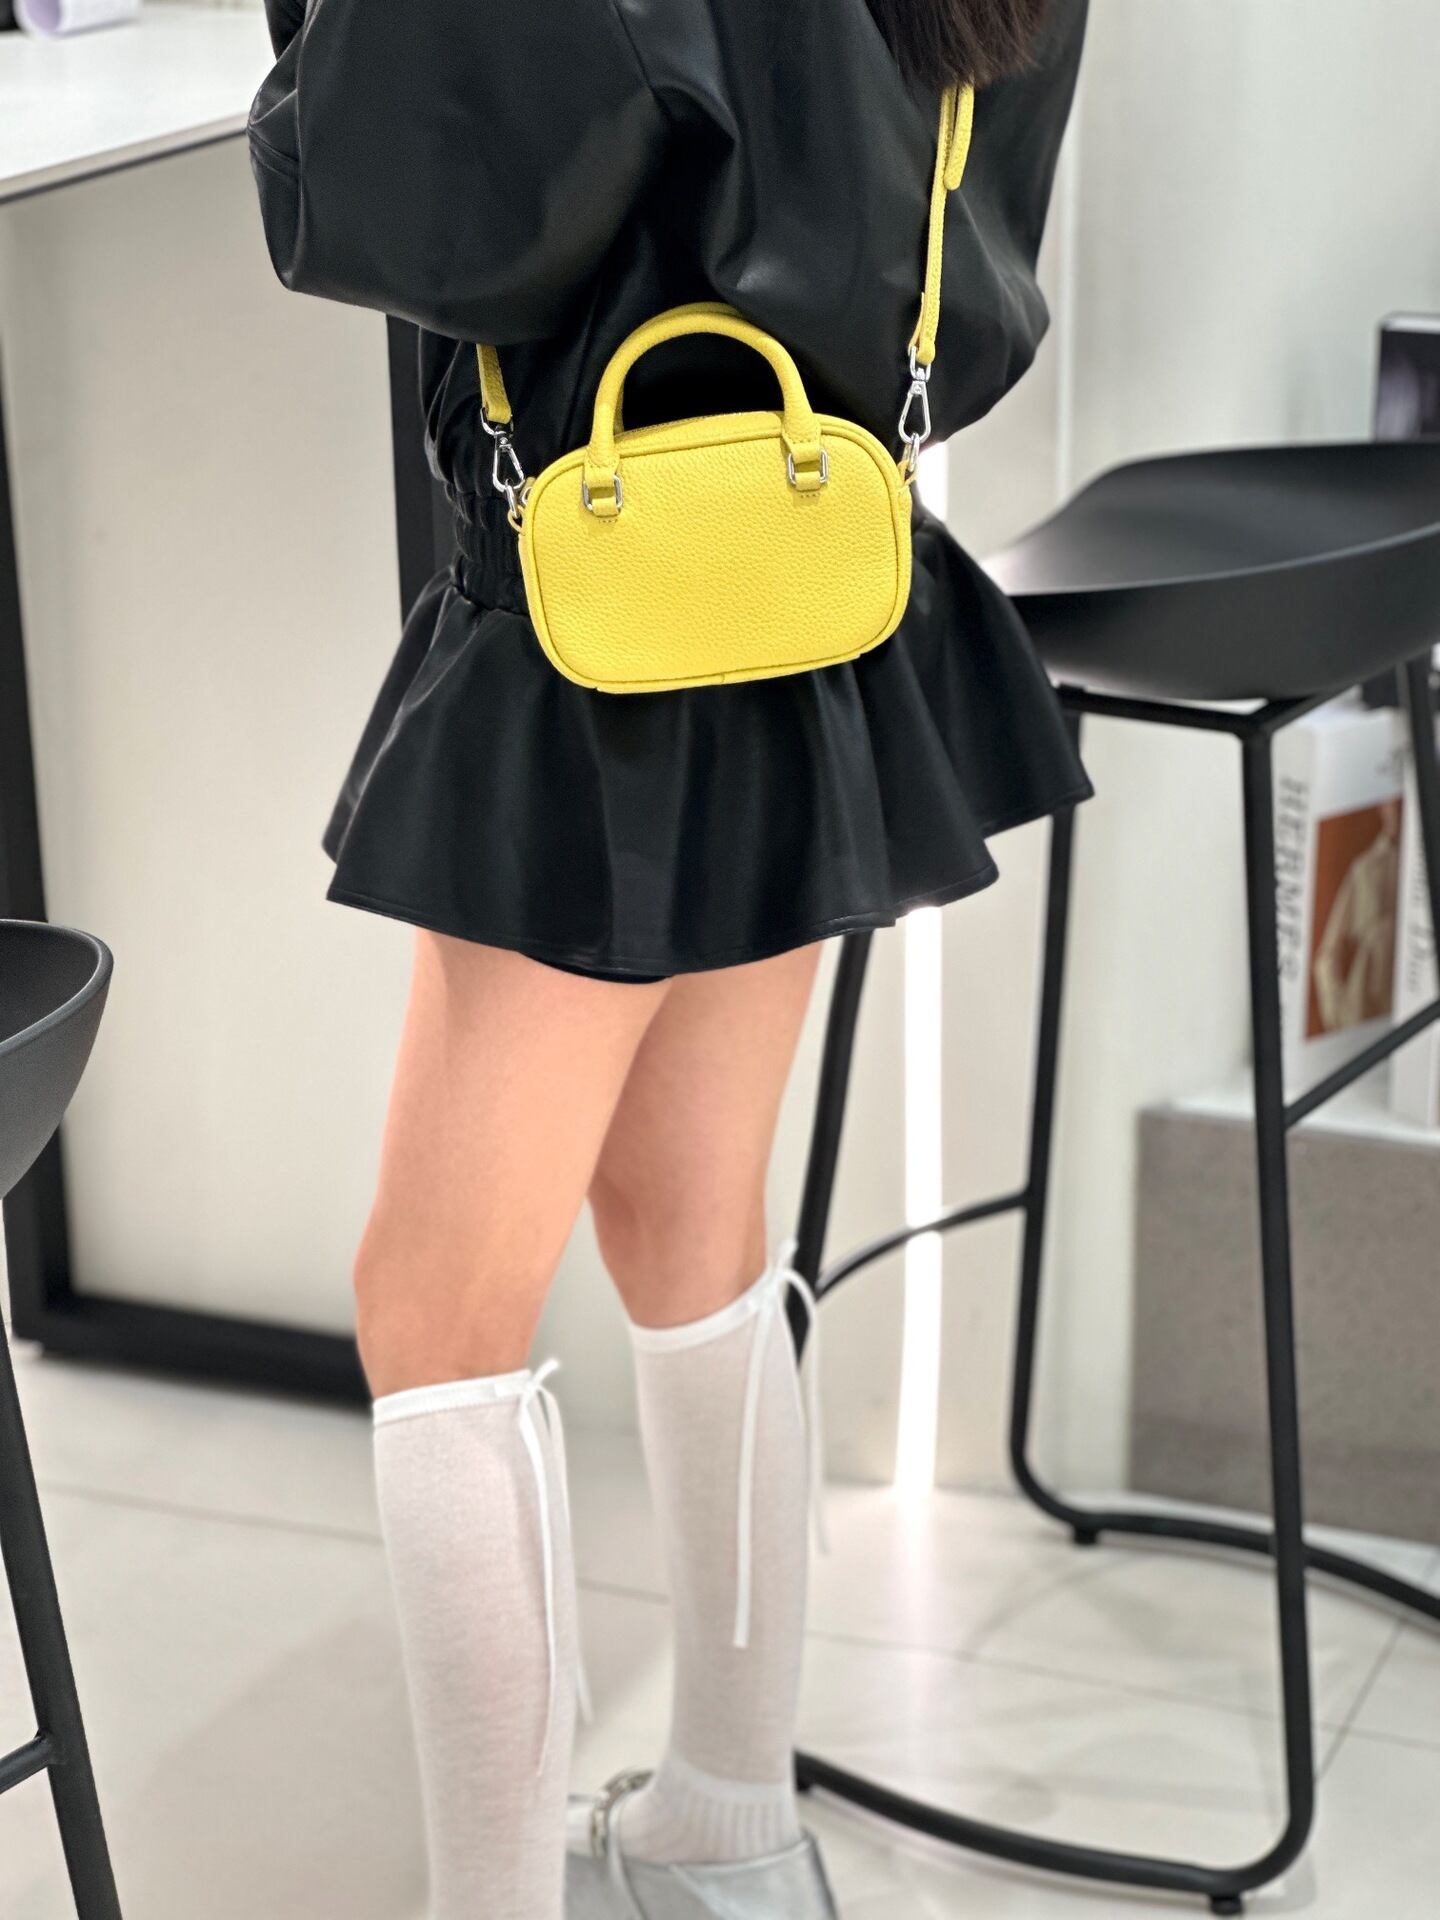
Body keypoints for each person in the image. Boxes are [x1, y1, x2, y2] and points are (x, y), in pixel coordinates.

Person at [248, 1, 1090, 1914]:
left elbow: (406, 205)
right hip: (804, 559)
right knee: (692, 1232)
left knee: (433, 1319)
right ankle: (728, 1830)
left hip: (601, 609)